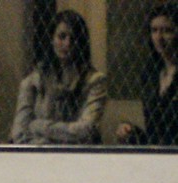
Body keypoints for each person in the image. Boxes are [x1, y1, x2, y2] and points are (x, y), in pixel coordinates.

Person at [11, 9, 107, 144]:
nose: (67, 44)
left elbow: (86, 129)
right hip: (39, 153)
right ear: (52, 39)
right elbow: (19, 133)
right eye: (62, 37)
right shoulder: (33, 81)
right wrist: (47, 145)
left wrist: (39, 126)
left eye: (74, 38)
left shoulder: (95, 81)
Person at [115, 2, 178, 145]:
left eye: (167, 31)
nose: (159, 37)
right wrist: (131, 130)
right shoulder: (151, 73)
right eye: (154, 30)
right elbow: (153, 132)